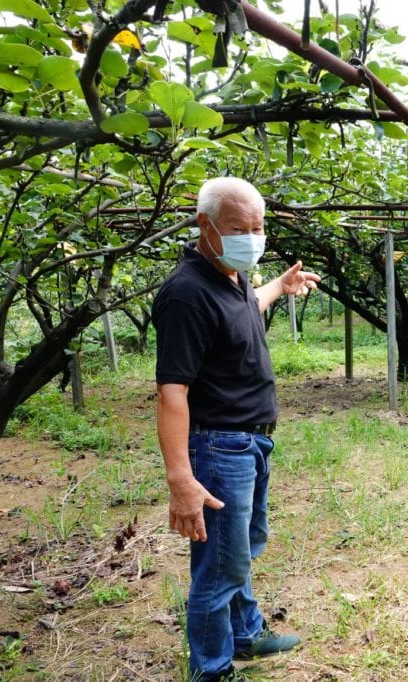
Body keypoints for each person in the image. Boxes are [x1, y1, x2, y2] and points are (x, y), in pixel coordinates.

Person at [152, 177, 320, 682]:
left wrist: (279, 287)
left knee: (240, 548)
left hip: (249, 440)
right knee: (219, 564)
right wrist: (181, 480)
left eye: (258, 227)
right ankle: (211, 668)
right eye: (238, 227)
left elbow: (244, 310)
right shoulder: (185, 293)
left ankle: (245, 634)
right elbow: (172, 393)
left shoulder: (231, 274)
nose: (252, 237)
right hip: (219, 444)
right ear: (205, 226)